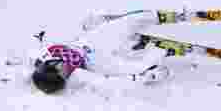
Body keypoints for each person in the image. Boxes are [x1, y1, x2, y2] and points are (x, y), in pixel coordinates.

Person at [29, 10, 176, 94]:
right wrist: (146, 76)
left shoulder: (47, 53)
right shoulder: (75, 75)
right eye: (64, 76)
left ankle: (156, 17)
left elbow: (43, 43)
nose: (65, 71)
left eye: (60, 71)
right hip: (94, 63)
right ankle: (160, 50)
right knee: (130, 68)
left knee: (127, 23)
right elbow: (101, 82)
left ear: (50, 66)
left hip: (87, 45)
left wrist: (94, 24)